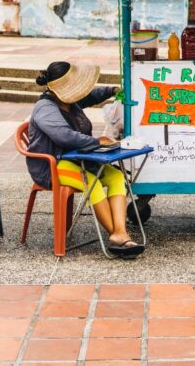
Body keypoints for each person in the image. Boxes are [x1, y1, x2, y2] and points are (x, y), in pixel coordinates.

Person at [28, 61, 144, 257]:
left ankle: (120, 232)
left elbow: (90, 96)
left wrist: (112, 90)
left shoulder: (68, 102)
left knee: (116, 177)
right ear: (62, 89)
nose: (78, 90)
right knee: (93, 184)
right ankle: (118, 236)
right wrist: (97, 141)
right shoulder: (45, 108)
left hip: (80, 159)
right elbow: (63, 136)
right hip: (54, 165)